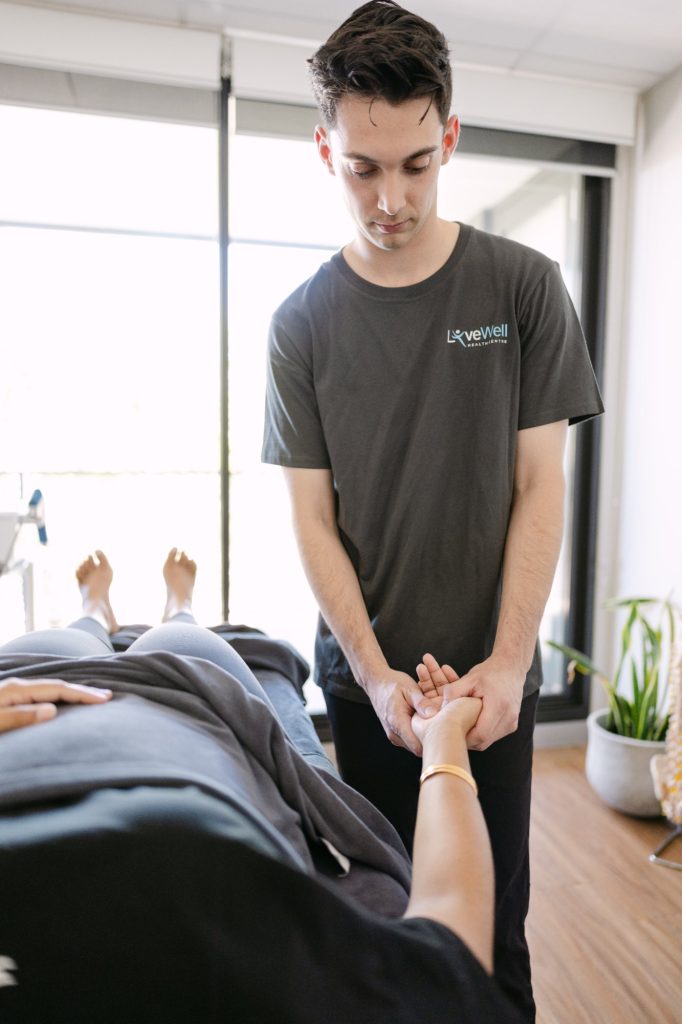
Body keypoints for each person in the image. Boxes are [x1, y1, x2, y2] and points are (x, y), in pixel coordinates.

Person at [261, 2, 605, 1018]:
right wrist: (371, 677)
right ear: (326, 147)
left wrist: (503, 666)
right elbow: (312, 520)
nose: (390, 197)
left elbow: (541, 487)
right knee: (380, 926)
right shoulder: (300, 326)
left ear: (447, 135)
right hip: (368, 681)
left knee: (492, 945)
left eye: (414, 163)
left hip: (492, 683)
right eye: (361, 168)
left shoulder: (525, 287)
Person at [0, 549, 523, 1022]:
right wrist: (443, 733)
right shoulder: (286, 982)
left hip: (23, 701)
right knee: (177, 637)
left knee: (72, 636)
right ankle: (178, 603)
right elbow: (451, 939)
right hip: (193, 705)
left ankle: (96, 607)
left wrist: (444, 737)